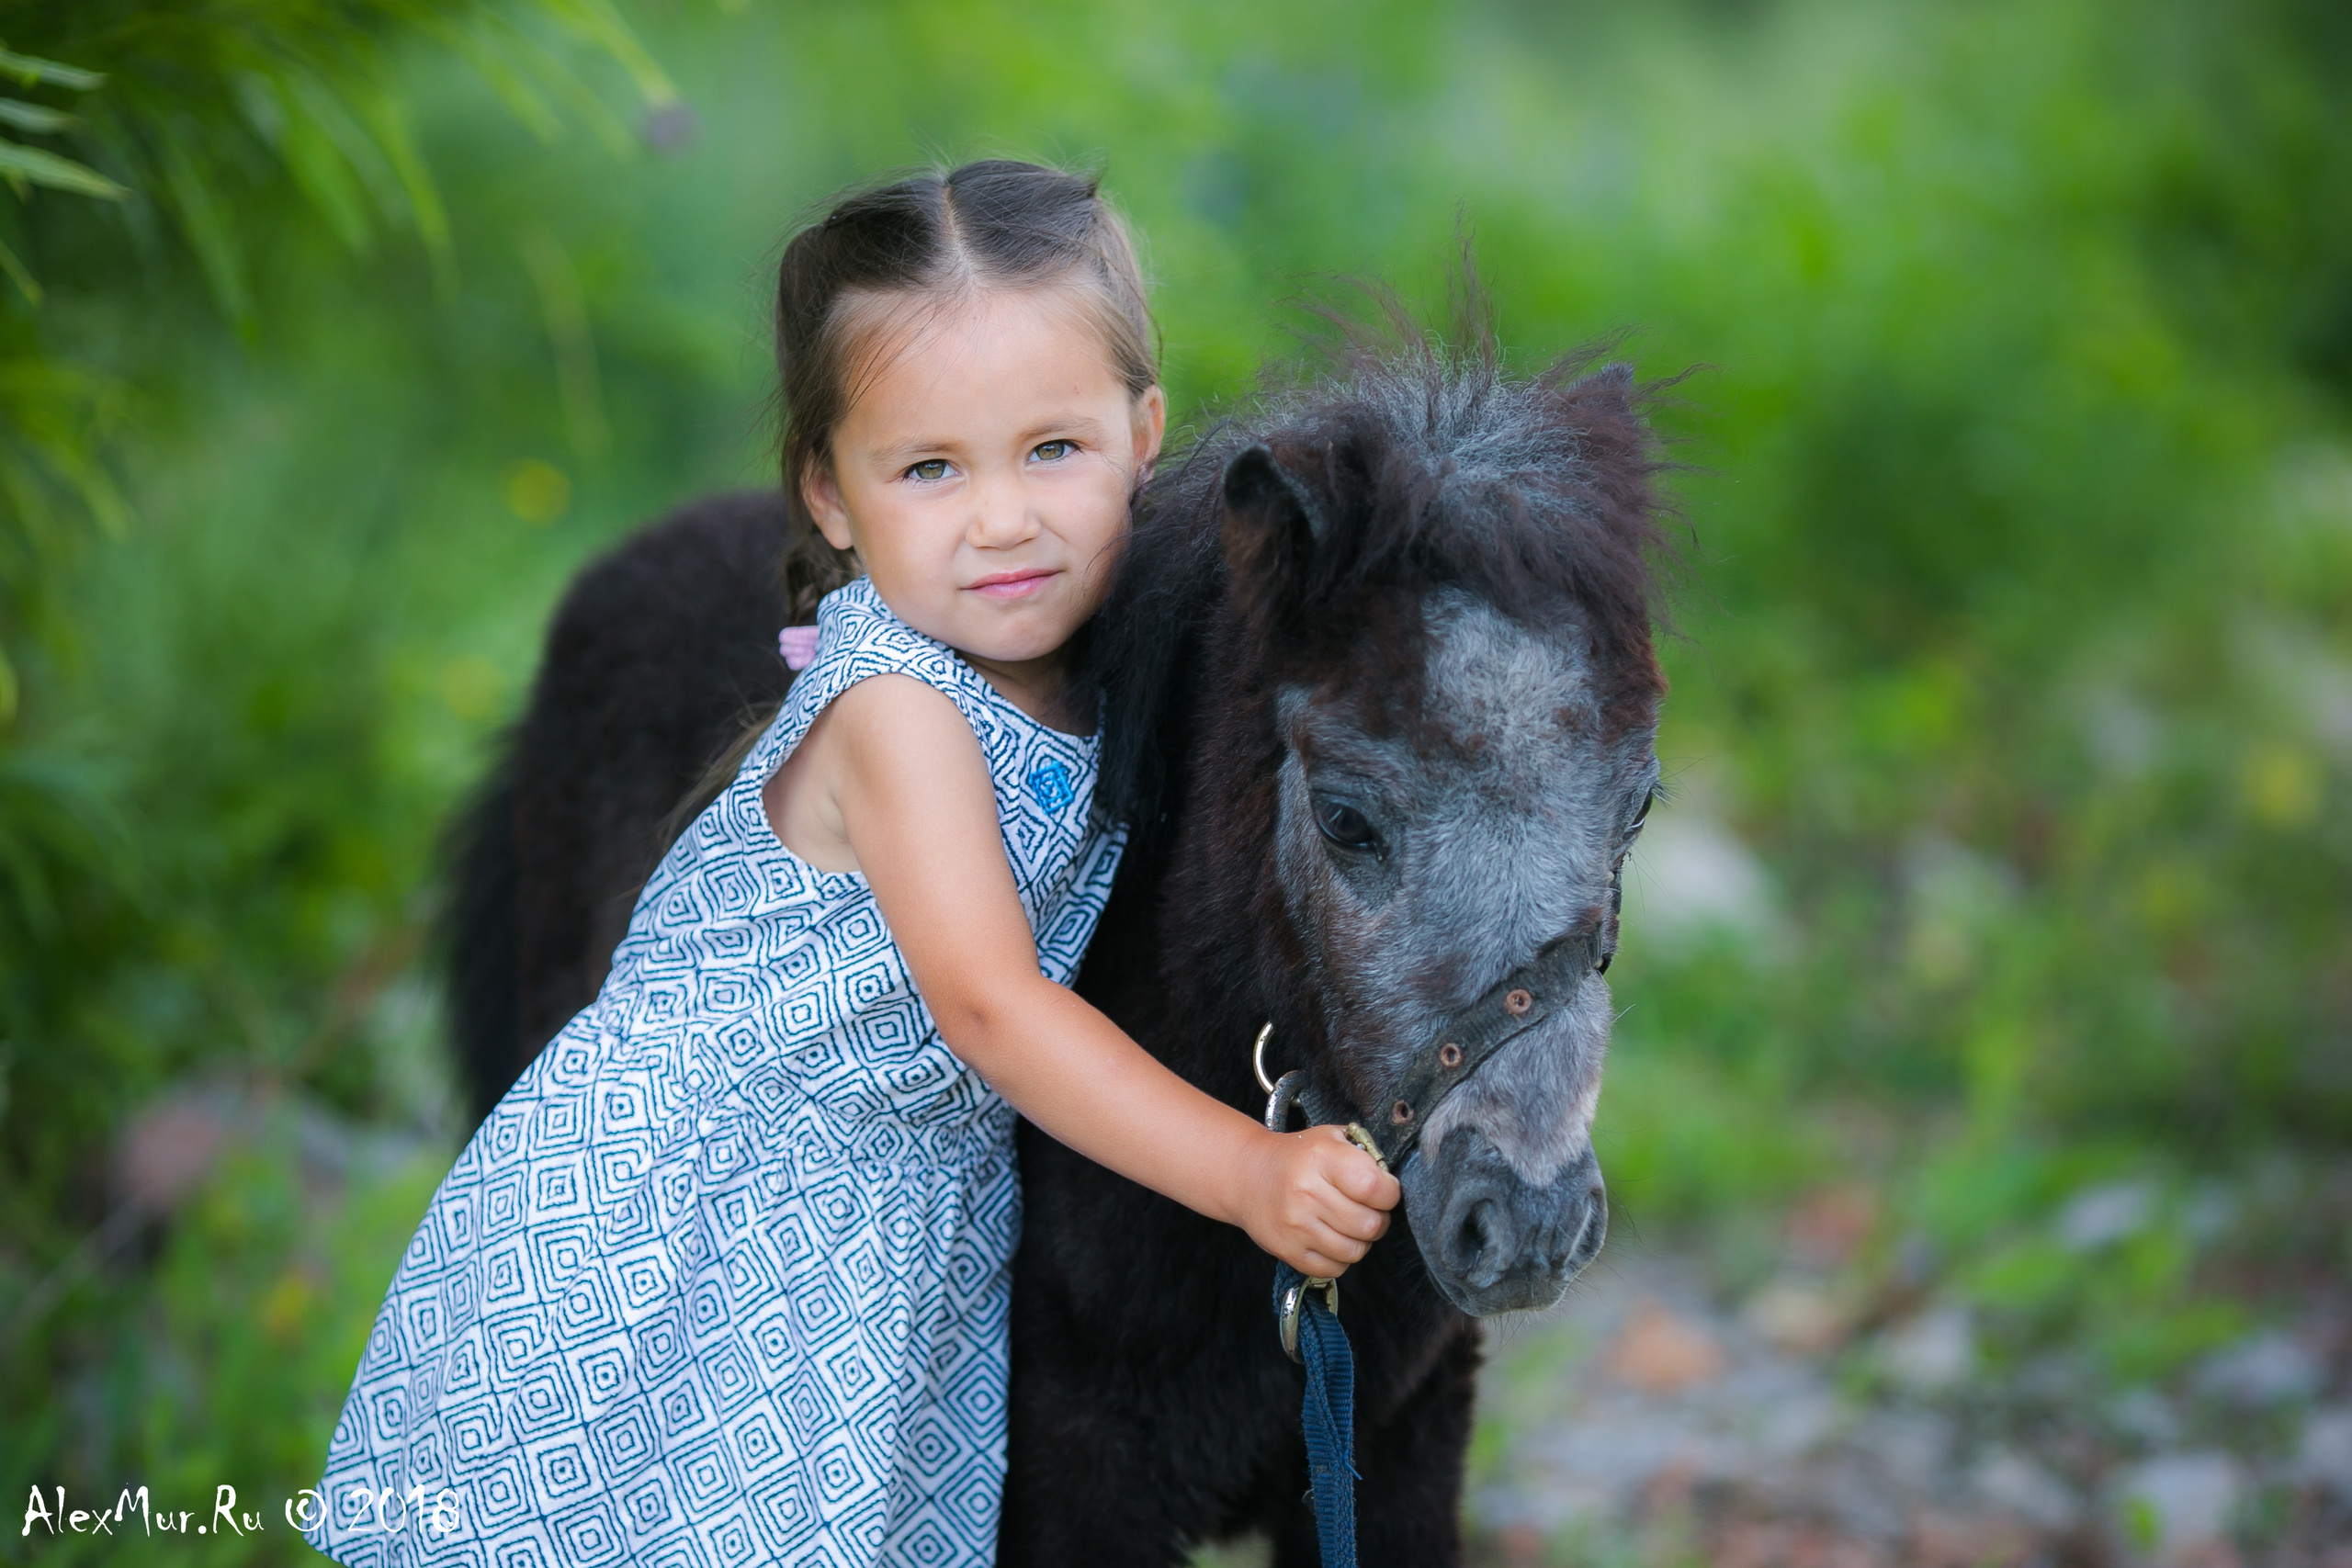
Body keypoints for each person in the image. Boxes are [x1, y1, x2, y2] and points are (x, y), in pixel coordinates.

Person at [303, 159, 1400, 1568]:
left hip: (867, 1217)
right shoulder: (905, 715)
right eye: (930, 468)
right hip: (703, 1210)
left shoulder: (1107, 655)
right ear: (830, 496)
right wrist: (1248, 1175)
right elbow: (993, 1010)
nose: (1003, 519)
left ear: (1145, 434)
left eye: (1050, 450)